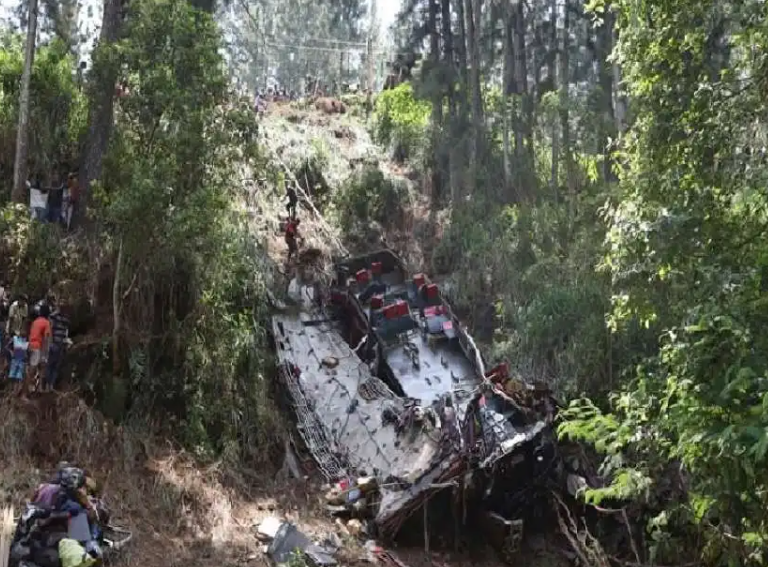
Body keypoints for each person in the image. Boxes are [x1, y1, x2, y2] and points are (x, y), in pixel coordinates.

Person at [46, 303, 71, 392]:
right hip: (54, 343)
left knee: (56, 366)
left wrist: (66, 342)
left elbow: (66, 331)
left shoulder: (66, 318)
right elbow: (50, 330)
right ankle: (47, 385)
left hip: (61, 344)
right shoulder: (54, 316)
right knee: (51, 365)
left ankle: (51, 385)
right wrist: (50, 342)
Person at [28, 310, 52, 393]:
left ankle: (37, 387)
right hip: (38, 346)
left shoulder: (35, 321)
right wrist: (45, 351)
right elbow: (46, 338)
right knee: (37, 367)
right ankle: (30, 387)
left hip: (31, 345)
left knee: (34, 366)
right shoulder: (46, 323)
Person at [9, 325, 29, 395]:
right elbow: (8, 346)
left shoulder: (25, 341)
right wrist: (11, 353)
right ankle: (12, 390)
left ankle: (15, 391)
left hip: (20, 361)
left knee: (17, 377)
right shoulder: (15, 339)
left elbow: (26, 352)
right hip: (15, 360)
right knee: (13, 377)